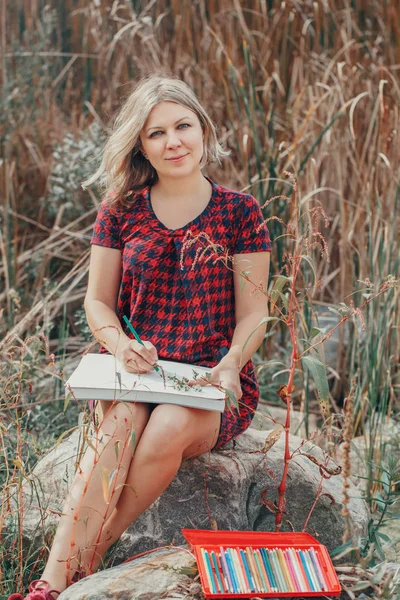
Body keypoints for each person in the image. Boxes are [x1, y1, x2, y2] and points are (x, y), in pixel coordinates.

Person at [9, 74, 271, 600]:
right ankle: (55, 582)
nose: (173, 141)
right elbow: (96, 303)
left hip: (205, 381)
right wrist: (119, 343)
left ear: (203, 130)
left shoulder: (240, 212)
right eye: (156, 133)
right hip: (135, 373)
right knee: (125, 421)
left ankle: (80, 562)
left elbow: (255, 313)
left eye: (183, 126)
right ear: (141, 145)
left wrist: (230, 362)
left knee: (167, 423)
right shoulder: (120, 210)